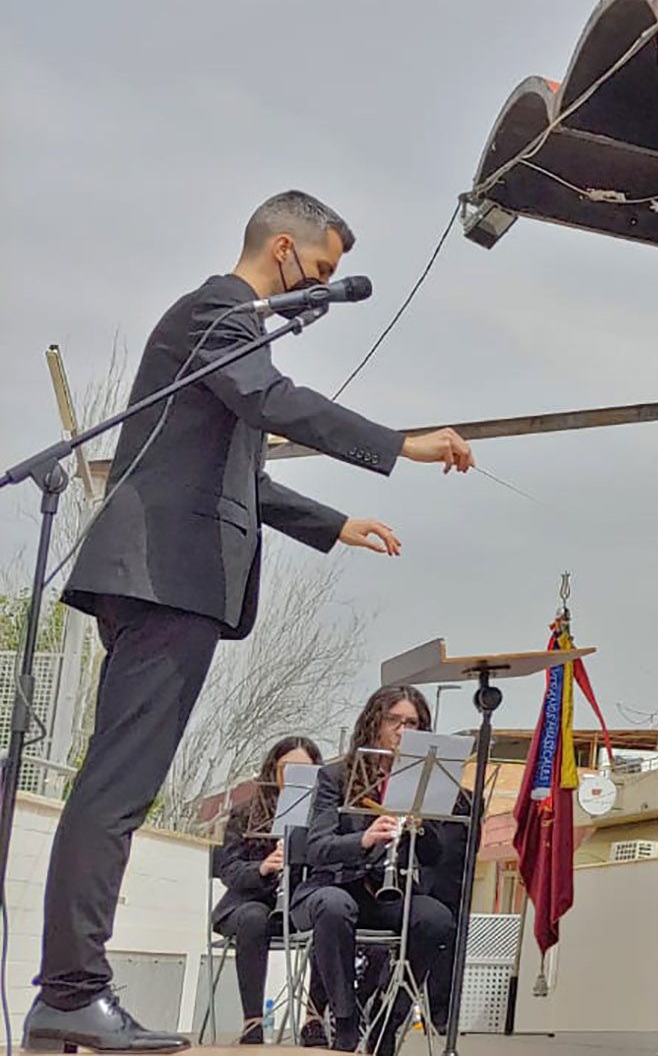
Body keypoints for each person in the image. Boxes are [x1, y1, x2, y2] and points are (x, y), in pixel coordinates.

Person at [34, 190, 474, 1053]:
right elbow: (273, 399)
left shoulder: (226, 338)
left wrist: (336, 523)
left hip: (166, 580)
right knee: (116, 789)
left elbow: (244, 479)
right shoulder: (221, 312)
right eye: (320, 273)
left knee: (118, 785)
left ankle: (69, 994)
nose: (320, 295)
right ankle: (71, 989)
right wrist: (398, 444)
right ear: (282, 251)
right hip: (165, 579)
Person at [296, 686, 465, 1054]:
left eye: (413, 723)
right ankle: (344, 1020)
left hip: (391, 891)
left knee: (436, 919)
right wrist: (365, 840)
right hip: (337, 884)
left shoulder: (422, 780)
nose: (403, 731)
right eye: (395, 721)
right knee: (334, 906)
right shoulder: (336, 777)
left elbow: (435, 855)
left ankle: (389, 1017)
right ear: (375, 723)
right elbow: (318, 848)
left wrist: (422, 826)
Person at [210, 736, 331, 1047]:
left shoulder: (324, 817)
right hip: (248, 904)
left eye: (306, 771)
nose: (295, 778)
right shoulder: (246, 813)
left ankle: (313, 1018)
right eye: (287, 769)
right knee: (254, 916)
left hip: (296, 905)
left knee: (328, 910)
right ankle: (252, 1022)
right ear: (272, 771)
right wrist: (263, 868)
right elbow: (229, 870)